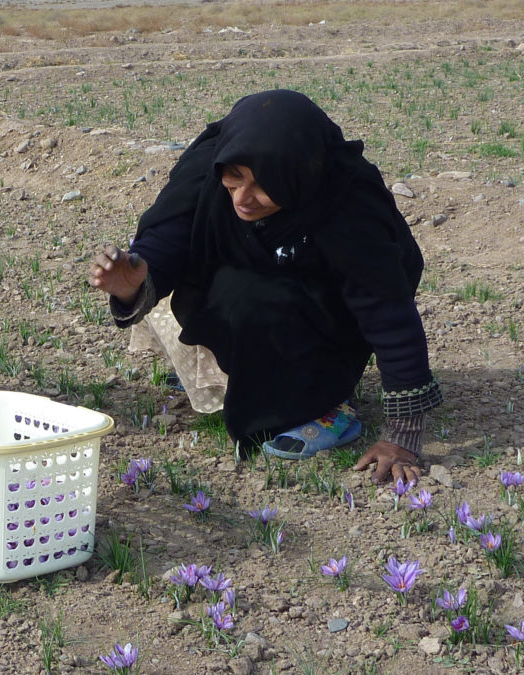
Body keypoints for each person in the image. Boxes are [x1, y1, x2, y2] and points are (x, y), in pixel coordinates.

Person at [90, 89, 442, 484]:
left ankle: (327, 404)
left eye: (264, 185)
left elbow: (388, 313)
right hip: (262, 281)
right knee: (176, 281)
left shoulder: (346, 203)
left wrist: (402, 437)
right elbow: (172, 234)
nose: (242, 198)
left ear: (298, 175)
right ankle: (237, 373)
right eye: (234, 177)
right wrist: (132, 282)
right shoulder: (210, 163)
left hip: (331, 313)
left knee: (249, 302)